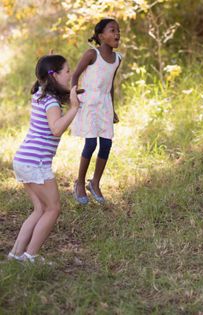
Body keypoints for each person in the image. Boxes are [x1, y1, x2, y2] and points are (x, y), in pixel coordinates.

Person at [8, 55, 80, 262]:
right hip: (36, 162)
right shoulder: (50, 102)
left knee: (40, 209)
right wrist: (74, 108)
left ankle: (17, 254)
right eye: (67, 71)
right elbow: (56, 128)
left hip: (24, 159)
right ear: (54, 75)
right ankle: (31, 256)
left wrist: (73, 96)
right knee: (53, 208)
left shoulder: (41, 94)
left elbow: (59, 95)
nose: (70, 74)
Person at [71, 18, 122, 204]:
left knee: (107, 144)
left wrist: (114, 109)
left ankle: (95, 183)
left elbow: (111, 86)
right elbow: (75, 75)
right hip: (89, 103)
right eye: (112, 30)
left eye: (118, 30)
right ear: (101, 36)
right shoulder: (92, 54)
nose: (117, 33)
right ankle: (80, 183)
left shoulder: (118, 59)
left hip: (105, 104)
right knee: (91, 144)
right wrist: (73, 96)